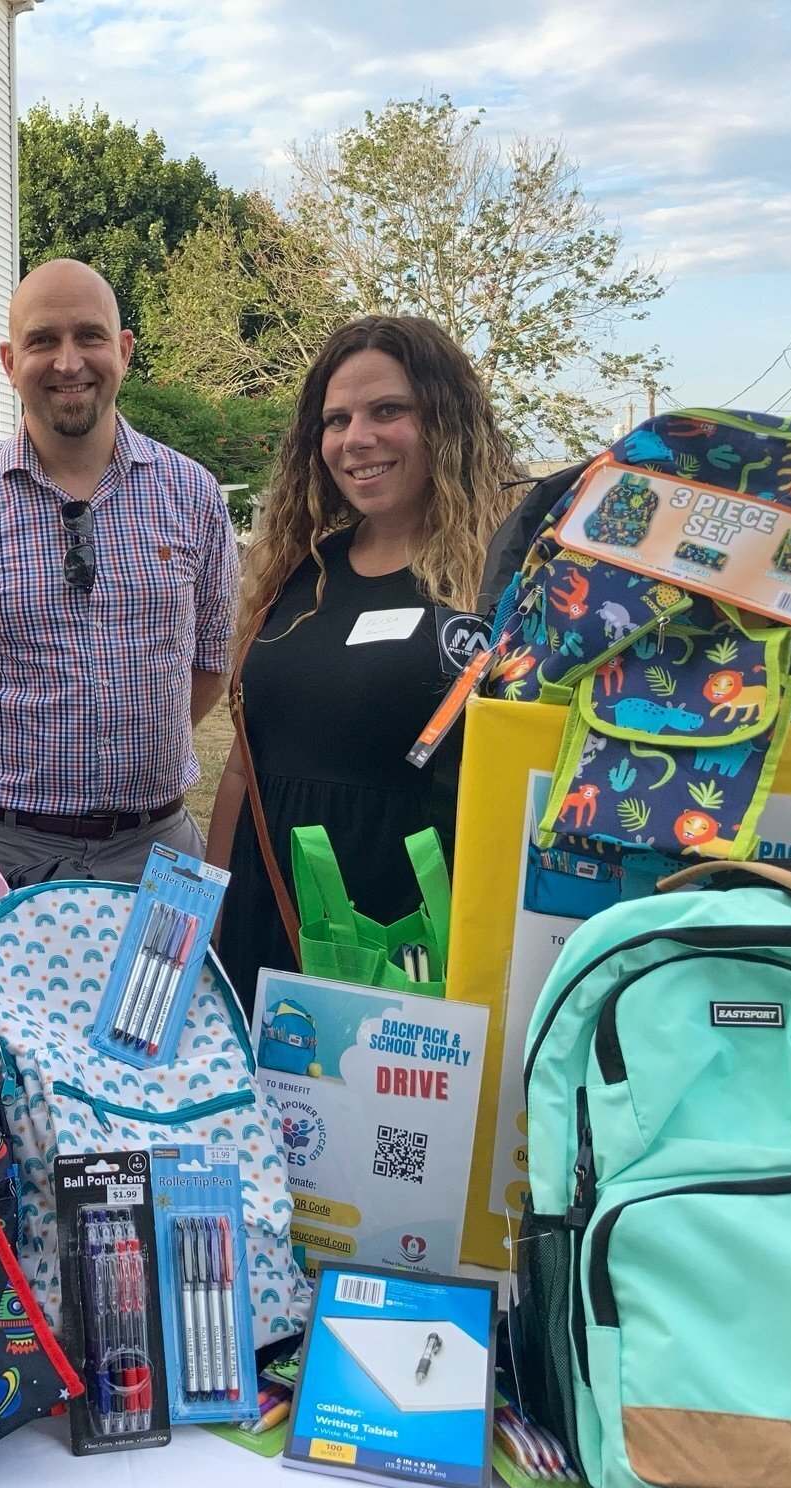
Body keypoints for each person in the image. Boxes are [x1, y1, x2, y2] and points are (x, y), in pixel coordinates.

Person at [206, 315, 522, 1008]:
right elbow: (242, 767)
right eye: (337, 419)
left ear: (446, 421)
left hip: (409, 938)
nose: (356, 438)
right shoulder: (298, 572)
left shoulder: (501, 583)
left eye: (388, 411)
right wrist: (211, 919)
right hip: (270, 914)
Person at [0, 259, 237, 885]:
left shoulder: (193, 495)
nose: (68, 363)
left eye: (89, 336)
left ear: (123, 350)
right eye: (43, 340)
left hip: (157, 849)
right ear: (10, 361)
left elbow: (209, 661)